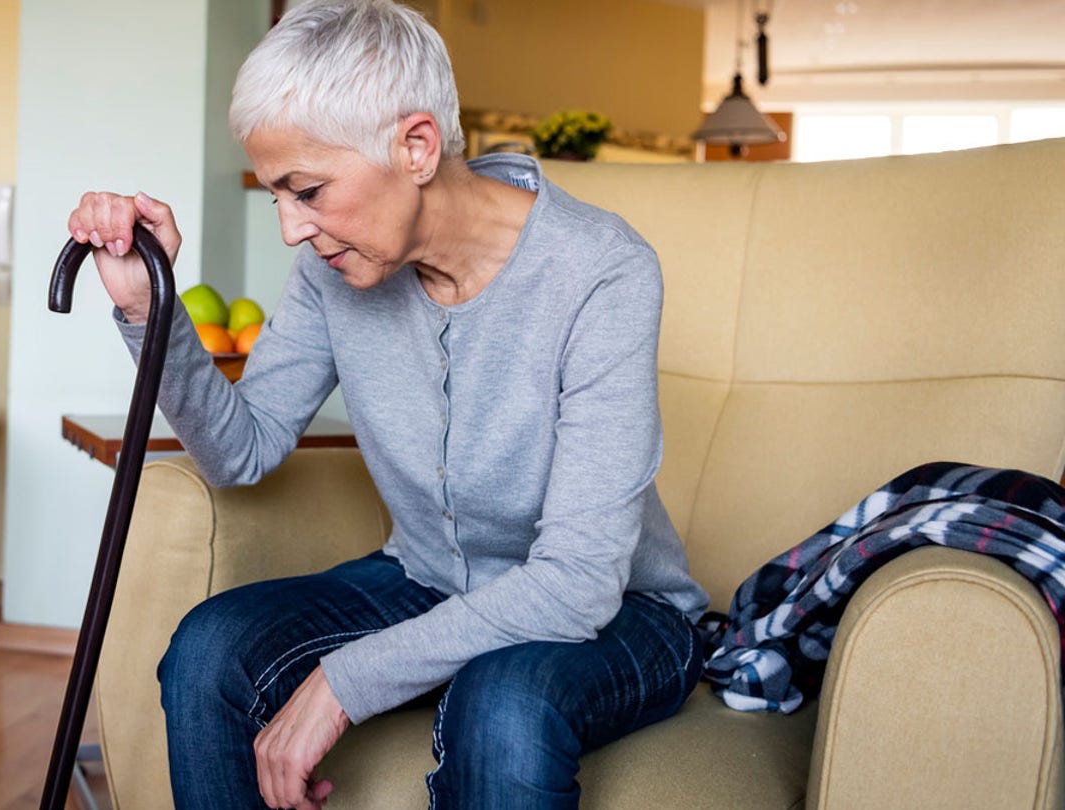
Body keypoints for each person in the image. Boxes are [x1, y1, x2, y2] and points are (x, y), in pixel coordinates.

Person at [66, 1, 709, 807]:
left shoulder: (600, 272)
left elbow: (578, 583)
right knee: (208, 651)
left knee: (505, 703)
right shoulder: (336, 270)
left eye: (307, 190)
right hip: (427, 576)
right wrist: (145, 309)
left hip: (622, 610)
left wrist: (342, 682)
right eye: (277, 196)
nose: (293, 229)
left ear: (415, 145)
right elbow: (240, 450)